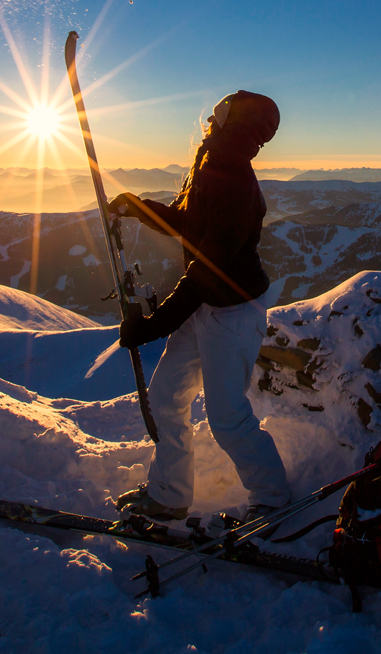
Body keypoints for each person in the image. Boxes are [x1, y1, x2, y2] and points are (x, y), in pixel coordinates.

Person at [108, 90, 291, 525]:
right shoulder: (212, 164)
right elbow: (186, 220)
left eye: (220, 112)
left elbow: (206, 273)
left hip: (232, 311)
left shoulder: (234, 181)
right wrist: (139, 208)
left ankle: (273, 499)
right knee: (168, 397)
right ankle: (170, 494)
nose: (211, 118)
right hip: (207, 305)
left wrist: (151, 326)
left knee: (226, 416)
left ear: (235, 122)